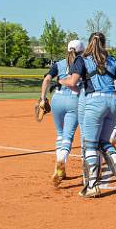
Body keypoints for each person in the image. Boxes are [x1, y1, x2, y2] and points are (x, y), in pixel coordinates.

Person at [60, 32, 116, 198]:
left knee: (90, 145)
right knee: (104, 142)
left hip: (94, 102)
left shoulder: (82, 59)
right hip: (112, 102)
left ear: (89, 43)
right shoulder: (112, 60)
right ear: (104, 44)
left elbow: (72, 82)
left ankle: (92, 185)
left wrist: (59, 81)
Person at [40, 39, 85, 187]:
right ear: (81, 51)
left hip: (57, 100)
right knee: (68, 136)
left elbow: (47, 79)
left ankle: (59, 169)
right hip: (74, 100)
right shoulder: (82, 63)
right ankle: (61, 160)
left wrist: (42, 98)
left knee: (60, 134)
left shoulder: (58, 64)